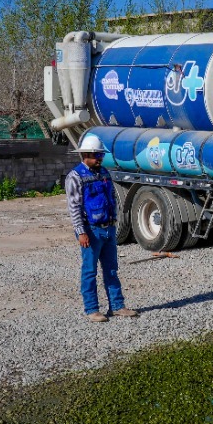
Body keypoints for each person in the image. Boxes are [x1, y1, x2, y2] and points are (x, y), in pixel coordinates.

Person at [66, 134, 137, 323]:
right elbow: (74, 207)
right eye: (97, 155)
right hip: (91, 231)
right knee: (89, 271)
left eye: (101, 155)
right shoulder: (75, 176)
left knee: (111, 269)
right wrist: (81, 232)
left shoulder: (104, 173)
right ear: (86, 155)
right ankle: (92, 310)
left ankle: (117, 306)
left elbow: (111, 198)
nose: (100, 158)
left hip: (108, 229)